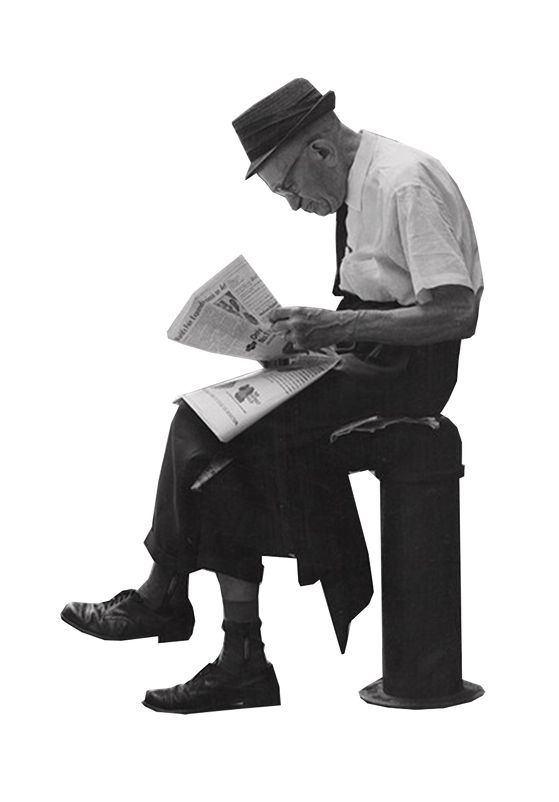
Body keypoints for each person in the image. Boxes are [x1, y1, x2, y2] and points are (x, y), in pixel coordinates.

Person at [61, 78, 483, 715]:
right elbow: (372, 298)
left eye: (288, 186)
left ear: (319, 151)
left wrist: (335, 327)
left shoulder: (404, 181)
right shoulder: (356, 177)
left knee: (211, 431)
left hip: (410, 374)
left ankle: (180, 607)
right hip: (365, 356)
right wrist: (306, 341)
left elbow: (454, 314)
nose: (291, 204)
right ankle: (230, 651)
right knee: (205, 424)